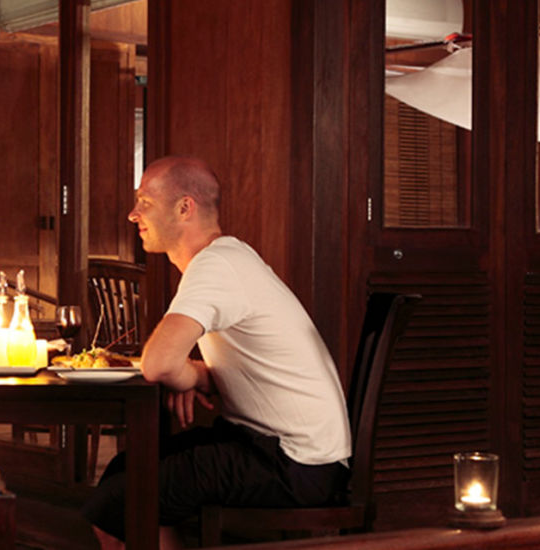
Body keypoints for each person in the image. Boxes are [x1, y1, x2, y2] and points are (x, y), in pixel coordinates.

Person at [82, 157, 352, 549]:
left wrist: (182, 373)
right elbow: (230, 368)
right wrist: (193, 374)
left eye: (145, 202)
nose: (132, 213)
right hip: (282, 450)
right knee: (126, 470)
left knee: (121, 501)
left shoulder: (217, 265)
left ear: (184, 208)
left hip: (292, 462)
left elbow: (158, 364)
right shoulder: (227, 258)